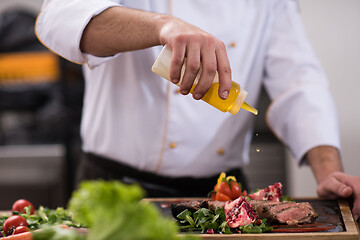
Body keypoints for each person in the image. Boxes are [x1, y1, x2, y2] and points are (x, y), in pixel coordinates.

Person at [36, 0, 360, 220]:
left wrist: (330, 172)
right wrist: (163, 26)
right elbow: (59, 18)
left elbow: (298, 84)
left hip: (221, 195)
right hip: (114, 187)